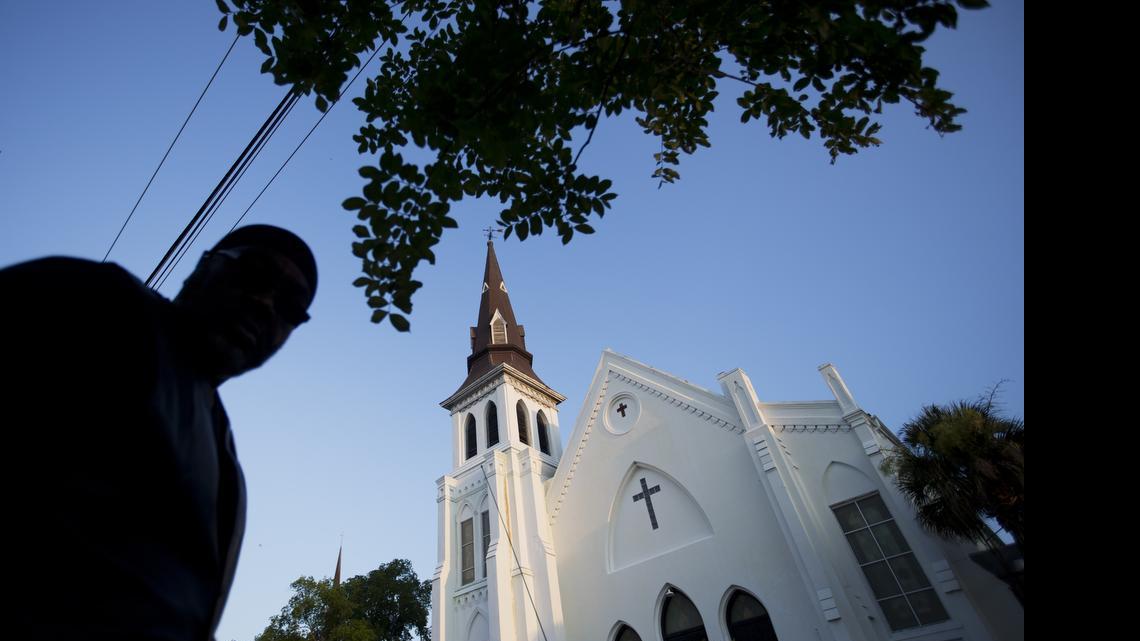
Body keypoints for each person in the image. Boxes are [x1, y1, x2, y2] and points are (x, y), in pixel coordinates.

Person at [3, 224, 317, 641]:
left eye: (290, 306)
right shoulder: (103, 302)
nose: (265, 303)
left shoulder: (227, 457)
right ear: (205, 267)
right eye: (255, 273)